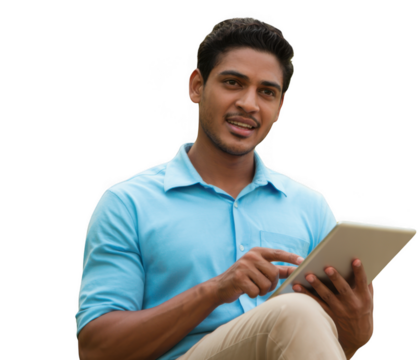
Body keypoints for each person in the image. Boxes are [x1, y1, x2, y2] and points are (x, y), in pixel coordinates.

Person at [76, 17, 374, 360]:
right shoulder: (127, 203)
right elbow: (95, 350)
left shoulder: (311, 206)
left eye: (267, 92)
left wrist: (355, 334)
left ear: (279, 108)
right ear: (196, 87)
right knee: (297, 310)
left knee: (302, 315)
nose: (249, 103)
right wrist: (216, 290)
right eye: (233, 83)